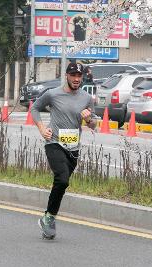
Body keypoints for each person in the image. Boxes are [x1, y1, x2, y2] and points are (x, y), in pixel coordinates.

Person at [31, 62, 96, 239]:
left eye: (79, 76)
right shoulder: (53, 94)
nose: (76, 79)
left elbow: (94, 123)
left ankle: (47, 217)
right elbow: (35, 108)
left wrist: (89, 119)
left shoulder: (86, 98)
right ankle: (50, 217)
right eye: (73, 75)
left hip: (73, 147)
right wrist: (42, 128)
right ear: (66, 76)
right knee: (62, 179)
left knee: (62, 183)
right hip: (54, 143)